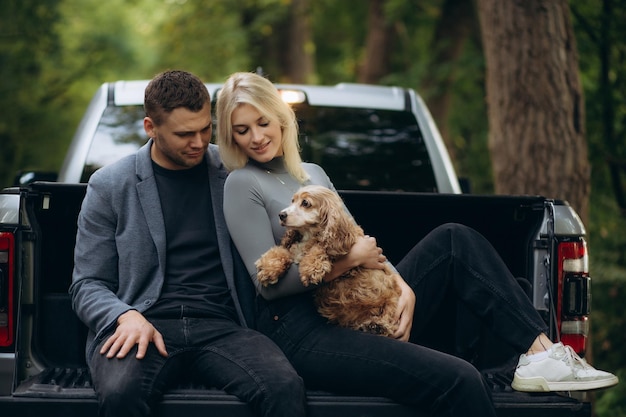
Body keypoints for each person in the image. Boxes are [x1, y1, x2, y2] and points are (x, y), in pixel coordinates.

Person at [215, 71, 618, 416]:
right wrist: (344, 263)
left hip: (362, 301)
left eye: (263, 122)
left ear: (281, 119)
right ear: (231, 136)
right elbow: (267, 288)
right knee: (460, 379)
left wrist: (402, 286)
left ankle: (540, 353)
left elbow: (362, 245)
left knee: (454, 239)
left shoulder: (313, 172)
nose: (256, 137)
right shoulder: (242, 183)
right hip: (304, 332)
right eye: (242, 129)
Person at [69, 70, 306, 417]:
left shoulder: (236, 172)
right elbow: (86, 283)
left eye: (205, 129)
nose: (199, 142)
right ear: (151, 128)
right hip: (144, 325)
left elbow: (303, 206)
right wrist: (124, 315)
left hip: (224, 326)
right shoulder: (109, 185)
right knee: (121, 394)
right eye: (184, 134)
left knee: (284, 388)